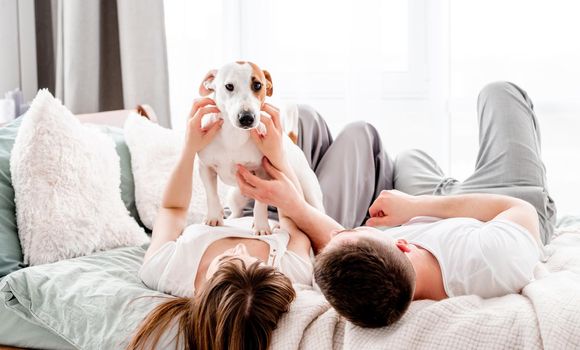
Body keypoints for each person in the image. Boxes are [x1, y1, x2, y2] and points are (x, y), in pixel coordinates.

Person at [235, 82, 557, 328]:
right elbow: (518, 209)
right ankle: (454, 190)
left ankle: (442, 187)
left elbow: (337, 239)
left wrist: (291, 202)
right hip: (500, 206)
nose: (345, 229)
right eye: (358, 228)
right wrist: (416, 206)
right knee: (499, 93)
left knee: (410, 157)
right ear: (402, 243)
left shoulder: (382, 277)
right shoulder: (492, 258)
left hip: (432, 220)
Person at [128, 99, 314, 350]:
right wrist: (277, 153)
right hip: (281, 198)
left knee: (314, 121)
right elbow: (294, 216)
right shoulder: (291, 271)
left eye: (226, 262)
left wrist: (190, 147)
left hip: (239, 200)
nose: (241, 250)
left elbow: (172, 210)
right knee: (344, 130)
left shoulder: (166, 269)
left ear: (204, 294)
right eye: (256, 264)